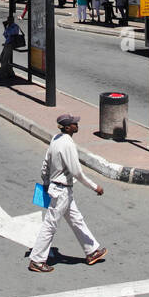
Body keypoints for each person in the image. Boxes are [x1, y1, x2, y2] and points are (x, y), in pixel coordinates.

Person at [28, 114, 106, 273]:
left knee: (77, 220)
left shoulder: (56, 139)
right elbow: (77, 171)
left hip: (60, 189)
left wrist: (45, 182)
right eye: (74, 123)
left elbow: (46, 163)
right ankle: (37, 260)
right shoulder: (67, 144)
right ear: (67, 127)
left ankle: (92, 251)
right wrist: (94, 186)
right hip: (61, 190)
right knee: (50, 225)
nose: (77, 125)